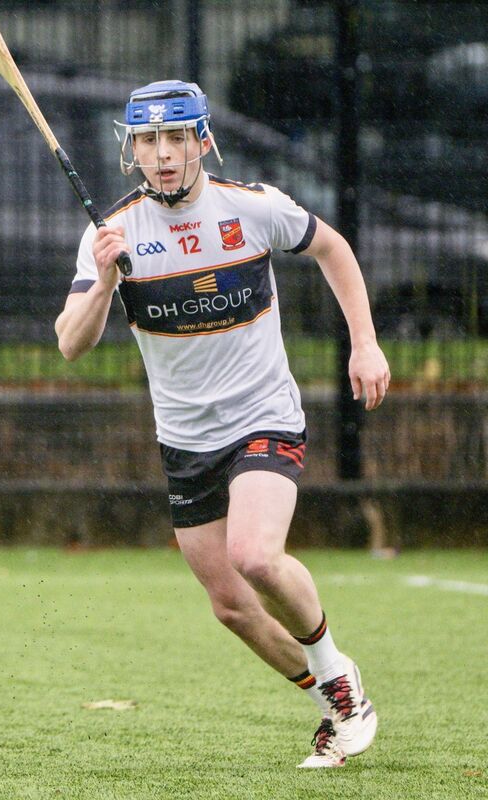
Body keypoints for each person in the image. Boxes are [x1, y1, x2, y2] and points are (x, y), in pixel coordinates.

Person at [54, 81, 390, 769]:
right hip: (184, 439)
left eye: (177, 138)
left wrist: (365, 341)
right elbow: (69, 343)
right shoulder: (109, 234)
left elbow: (334, 249)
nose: (164, 154)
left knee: (254, 554)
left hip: (263, 413)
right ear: (133, 150)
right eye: (149, 140)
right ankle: (333, 695)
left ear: (202, 140)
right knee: (231, 605)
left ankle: (337, 679)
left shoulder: (252, 207)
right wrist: (108, 279)